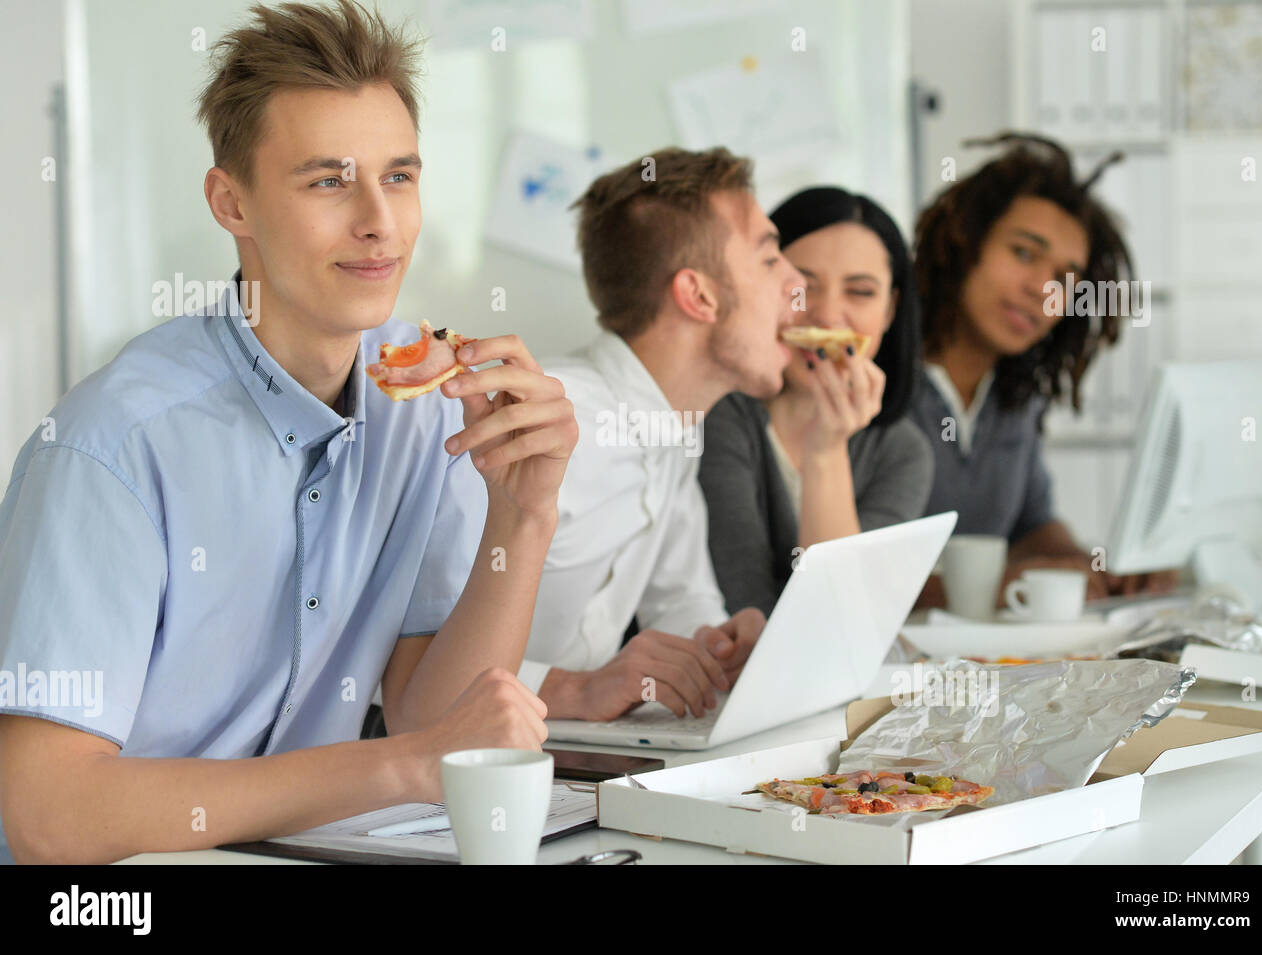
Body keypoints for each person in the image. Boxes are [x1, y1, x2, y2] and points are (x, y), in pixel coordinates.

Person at [0, 0, 578, 864]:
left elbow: (435, 720)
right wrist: (396, 765)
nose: (380, 220)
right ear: (231, 203)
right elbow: (48, 815)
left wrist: (523, 513)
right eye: (328, 181)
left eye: (400, 176)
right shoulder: (112, 445)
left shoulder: (422, 402)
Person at [520, 146, 804, 723]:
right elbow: (399, 654)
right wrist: (572, 691)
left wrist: (715, 645)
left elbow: (679, 596)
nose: (798, 285)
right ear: (698, 295)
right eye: (771, 258)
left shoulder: (675, 426)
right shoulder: (547, 422)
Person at [909, 132, 1176, 606]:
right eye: (1024, 253)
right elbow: (846, 575)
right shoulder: (873, 383)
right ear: (964, 242)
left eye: (1063, 279)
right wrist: (995, 590)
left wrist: (1089, 569)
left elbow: (1031, 524)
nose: (1042, 289)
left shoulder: (1015, 395)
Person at [698, 186, 934, 616]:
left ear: (890, 309)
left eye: (860, 292)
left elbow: (846, 621)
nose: (826, 316)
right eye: (802, 287)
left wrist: (828, 449)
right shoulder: (715, 417)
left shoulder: (903, 453)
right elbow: (750, 616)